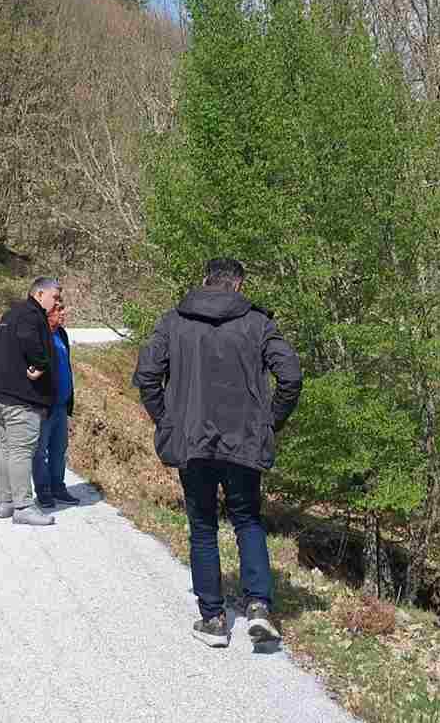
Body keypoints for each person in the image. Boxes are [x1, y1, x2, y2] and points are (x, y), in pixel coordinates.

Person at [132, 258, 302, 649]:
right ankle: (258, 605)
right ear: (238, 286)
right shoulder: (257, 323)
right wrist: (270, 422)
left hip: (192, 441)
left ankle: (213, 619)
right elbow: (290, 377)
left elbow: (146, 376)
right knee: (247, 519)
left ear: (205, 281)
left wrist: (167, 420)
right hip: (243, 440)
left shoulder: (173, 321)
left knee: (203, 526)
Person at [0, 276, 60, 526]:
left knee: (7, 447)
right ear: (40, 294)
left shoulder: (12, 313)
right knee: (21, 450)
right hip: (20, 397)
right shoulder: (31, 315)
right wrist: (40, 364)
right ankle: (24, 506)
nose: (57, 302)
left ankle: (6, 502)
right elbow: (30, 340)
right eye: (55, 297)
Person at [33, 302, 79, 509]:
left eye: (63, 309)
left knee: (59, 449)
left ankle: (57, 486)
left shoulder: (61, 334)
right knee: (40, 451)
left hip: (61, 405)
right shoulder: (38, 337)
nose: (63, 313)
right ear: (47, 314)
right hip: (44, 406)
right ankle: (43, 491)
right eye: (58, 310)